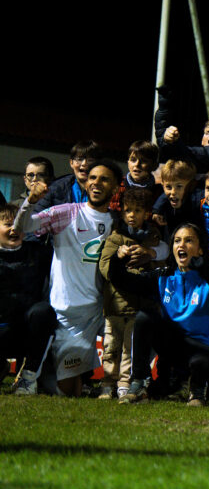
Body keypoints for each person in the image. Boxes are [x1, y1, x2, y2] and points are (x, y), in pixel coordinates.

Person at [13, 160, 121, 396]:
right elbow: (23, 226)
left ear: (115, 188)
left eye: (104, 179)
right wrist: (30, 201)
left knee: (70, 391)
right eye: (92, 178)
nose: (96, 183)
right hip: (61, 312)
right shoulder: (67, 212)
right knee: (65, 392)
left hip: (93, 315)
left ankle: (122, 385)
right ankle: (32, 375)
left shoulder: (117, 223)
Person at [110, 223, 209, 406]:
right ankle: (139, 384)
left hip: (203, 349)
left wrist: (206, 269)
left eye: (188, 241)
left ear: (200, 250)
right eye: (177, 241)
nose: (181, 245)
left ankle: (197, 392)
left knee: (202, 363)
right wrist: (117, 260)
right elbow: (124, 281)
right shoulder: (163, 277)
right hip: (175, 345)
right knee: (145, 318)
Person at [97, 187, 167, 400]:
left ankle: (125, 386)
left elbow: (162, 269)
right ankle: (107, 385)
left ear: (146, 213)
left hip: (139, 307)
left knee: (131, 350)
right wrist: (120, 257)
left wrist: (150, 256)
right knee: (110, 348)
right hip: (115, 306)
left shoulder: (154, 239)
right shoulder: (115, 238)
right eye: (128, 210)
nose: (132, 215)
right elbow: (105, 268)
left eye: (137, 210)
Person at [0, 203, 55, 394]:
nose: (14, 229)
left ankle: (28, 378)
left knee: (43, 311)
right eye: (8, 224)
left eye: (19, 225)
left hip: (26, 333)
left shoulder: (39, 253)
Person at [36, 140, 102, 211]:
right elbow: (37, 215)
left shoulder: (106, 189)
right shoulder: (55, 188)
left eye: (90, 160)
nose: (84, 163)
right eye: (79, 159)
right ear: (71, 163)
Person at [108, 140, 161, 213]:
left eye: (143, 161)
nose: (137, 164)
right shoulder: (115, 186)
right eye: (133, 160)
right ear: (128, 162)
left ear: (154, 166)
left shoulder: (159, 193)